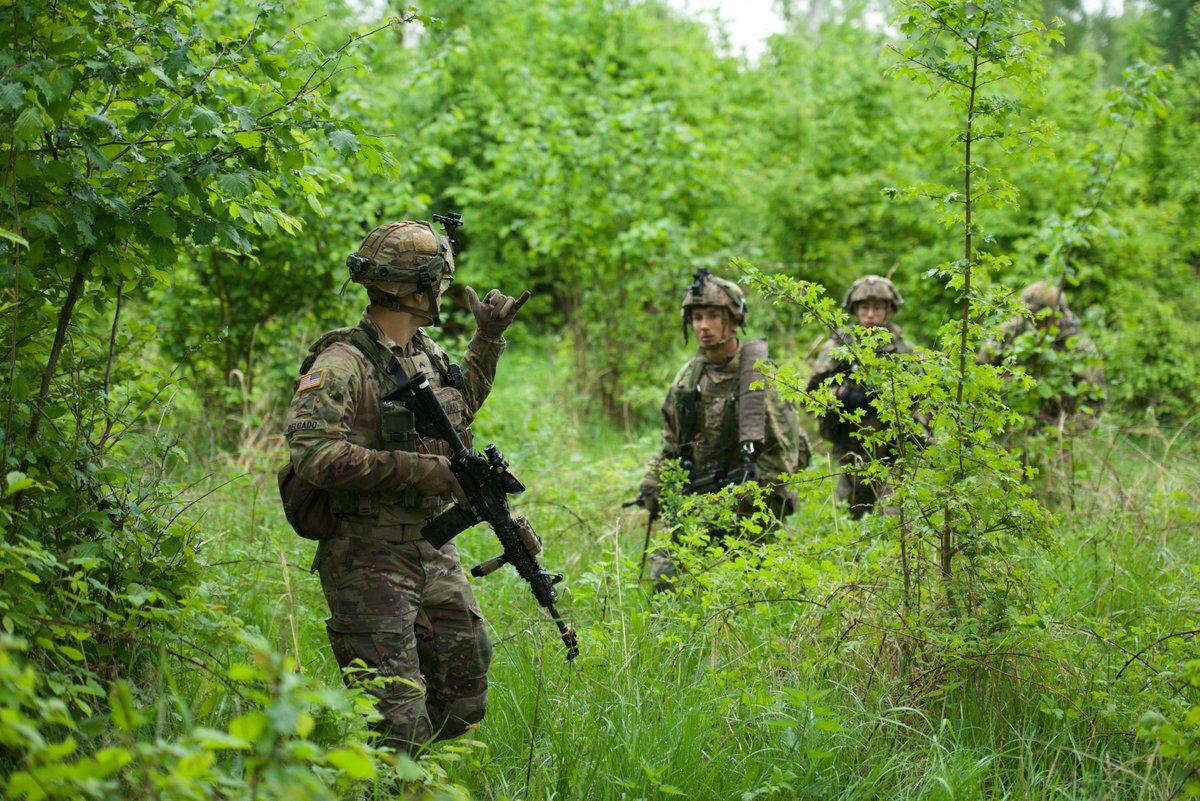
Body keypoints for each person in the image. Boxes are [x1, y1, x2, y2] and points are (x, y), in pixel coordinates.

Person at [284, 219, 527, 756]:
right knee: (395, 724)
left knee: (465, 691)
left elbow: (456, 412)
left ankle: (420, 779)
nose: (443, 290)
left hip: (432, 545)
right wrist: (423, 470)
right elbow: (314, 456)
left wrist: (488, 340)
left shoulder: (425, 351)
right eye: (438, 281)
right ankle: (396, 782)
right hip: (366, 554)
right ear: (418, 290)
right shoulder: (341, 364)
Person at [638, 269, 808, 590]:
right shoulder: (689, 377)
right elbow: (671, 444)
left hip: (752, 507)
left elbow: (782, 464)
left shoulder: (758, 379)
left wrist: (731, 502)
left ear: (733, 319)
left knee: (746, 589)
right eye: (697, 317)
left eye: (714, 316)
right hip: (699, 500)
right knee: (665, 580)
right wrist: (654, 479)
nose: (704, 326)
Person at [807, 274, 915, 519]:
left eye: (877, 307)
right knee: (851, 522)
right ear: (855, 310)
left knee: (895, 521)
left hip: (892, 453)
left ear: (889, 310)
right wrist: (841, 395)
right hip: (853, 450)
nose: (870, 314)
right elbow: (813, 393)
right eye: (865, 307)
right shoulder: (839, 347)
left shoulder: (903, 349)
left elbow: (922, 398)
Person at [981, 279, 1106, 438]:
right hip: (1006, 429)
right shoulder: (1008, 333)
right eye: (1030, 317)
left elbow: (1095, 400)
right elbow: (980, 375)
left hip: (1056, 434)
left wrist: (1062, 433)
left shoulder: (1079, 346)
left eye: (1042, 318)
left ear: (1057, 316)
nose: (1035, 323)